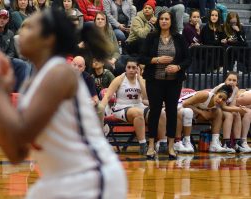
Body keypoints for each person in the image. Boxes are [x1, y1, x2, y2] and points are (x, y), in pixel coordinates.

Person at [0, 7, 126, 198]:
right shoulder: (30, 84)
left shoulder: (60, 73)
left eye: (29, 28)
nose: (21, 32)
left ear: (48, 39)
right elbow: (15, 154)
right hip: (56, 179)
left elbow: (22, 132)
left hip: (89, 175)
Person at [141, 10, 191, 159]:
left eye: (167, 19)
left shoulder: (179, 38)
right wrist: (156, 60)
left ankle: (170, 146)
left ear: (171, 21)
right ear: (158, 21)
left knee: (172, 113)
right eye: (161, 19)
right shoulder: (151, 37)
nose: (164, 21)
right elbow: (141, 57)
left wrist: (178, 67)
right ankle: (151, 146)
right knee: (155, 112)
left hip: (173, 82)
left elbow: (188, 59)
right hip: (154, 81)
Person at [100, 57, 148, 155]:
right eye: (129, 67)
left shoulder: (142, 80)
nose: (131, 70)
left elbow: (146, 97)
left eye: (134, 67)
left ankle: (162, 143)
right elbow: (108, 96)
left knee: (161, 113)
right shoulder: (119, 79)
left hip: (138, 105)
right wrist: (100, 108)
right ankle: (143, 145)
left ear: (138, 69)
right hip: (121, 108)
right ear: (125, 68)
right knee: (137, 112)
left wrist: (139, 78)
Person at [181, 84, 234, 153]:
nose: (220, 100)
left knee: (218, 112)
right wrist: (202, 112)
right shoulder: (205, 95)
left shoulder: (219, 103)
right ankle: (184, 141)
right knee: (189, 112)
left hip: (195, 114)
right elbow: (185, 104)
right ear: (216, 93)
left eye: (223, 99)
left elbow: (226, 108)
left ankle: (214, 144)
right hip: (181, 108)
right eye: (219, 96)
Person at [212, 72, 251, 153]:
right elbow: (223, 106)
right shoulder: (223, 88)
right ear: (226, 80)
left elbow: (232, 105)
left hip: (224, 108)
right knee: (231, 114)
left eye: (234, 80)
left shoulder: (235, 89)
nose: (231, 82)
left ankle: (240, 142)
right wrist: (237, 109)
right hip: (214, 108)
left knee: (244, 112)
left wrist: (239, 108)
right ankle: (226, 143)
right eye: (229, 79)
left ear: (237, 82)